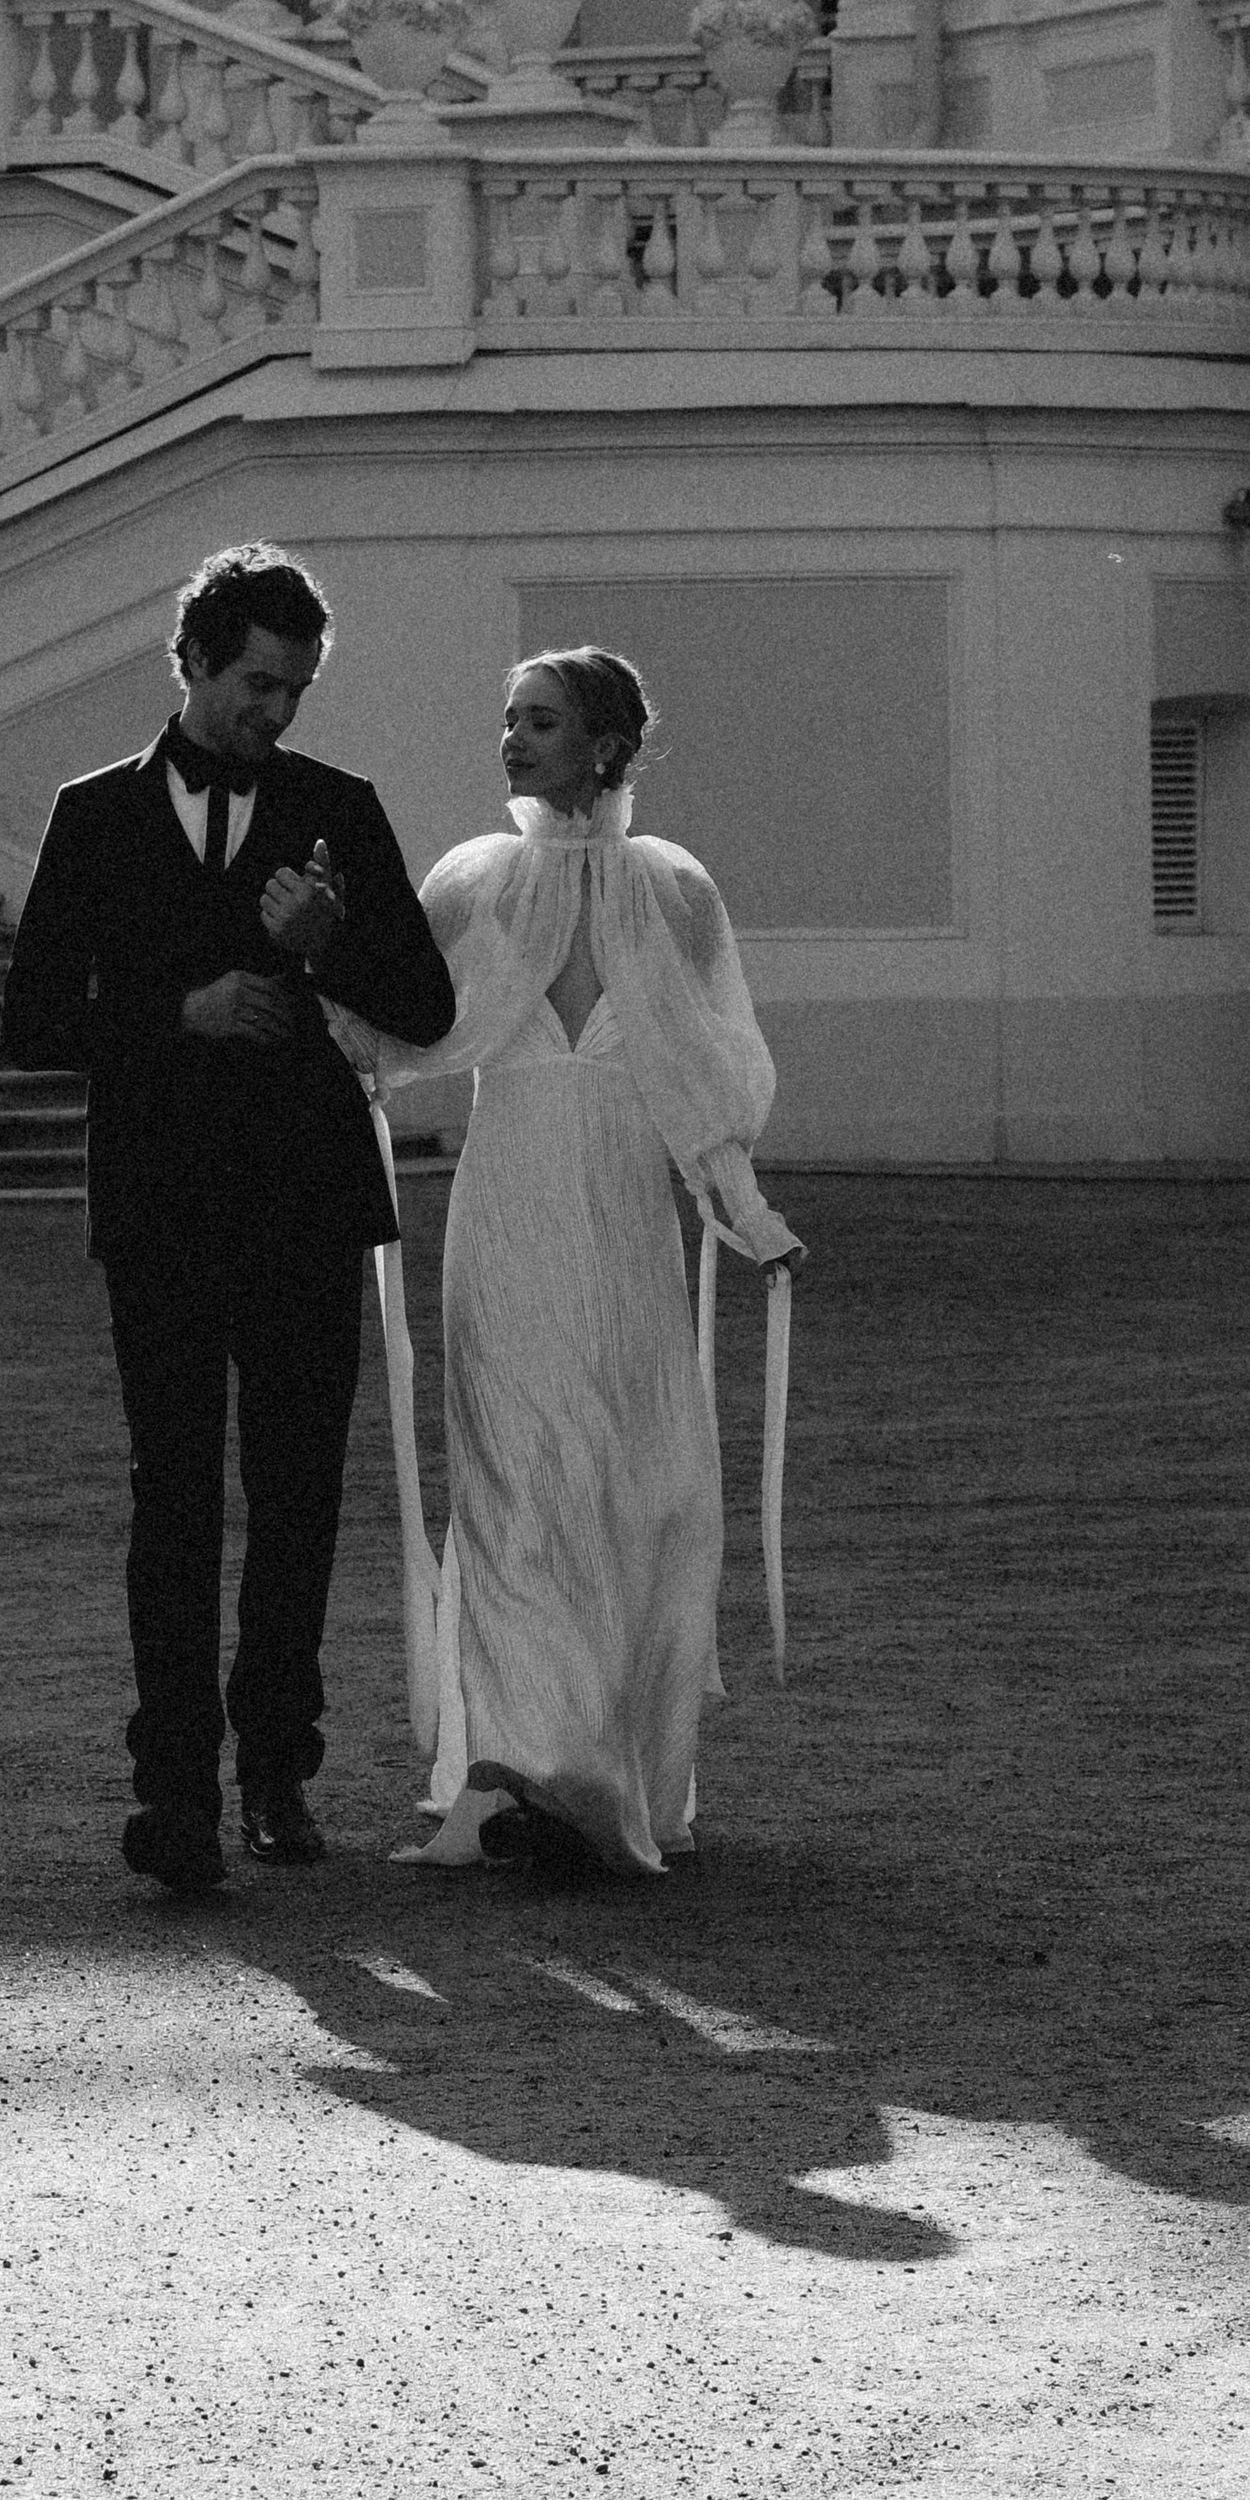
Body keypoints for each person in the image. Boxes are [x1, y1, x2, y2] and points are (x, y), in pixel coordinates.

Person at [0, 543, 456, 1897]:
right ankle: (173, 1792)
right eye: (260, 683)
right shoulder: (94, 816)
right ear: (192, 660)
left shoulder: (339, 807)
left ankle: (279, 1769)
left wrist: (325, 944)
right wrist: (172, 1012)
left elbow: (424, 1007)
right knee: (176, 1501)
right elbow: (29, 1021)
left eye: (297, 689)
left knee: (302, 1495)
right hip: (160, 1206)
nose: (278, 712)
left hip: (309, 1199)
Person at [360, 649, 801, 1879]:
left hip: (621, 1221)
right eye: (507, 718)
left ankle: (619, 1767)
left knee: (638, 1481)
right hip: (506, 1217)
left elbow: (717, 1075)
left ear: (604, 744)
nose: (512, 738)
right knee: (509, 1480)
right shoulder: (473, 882)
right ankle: (498, 1772)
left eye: (540, 721)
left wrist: (743, 1210)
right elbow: (389, 1028)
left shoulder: (676, 892)